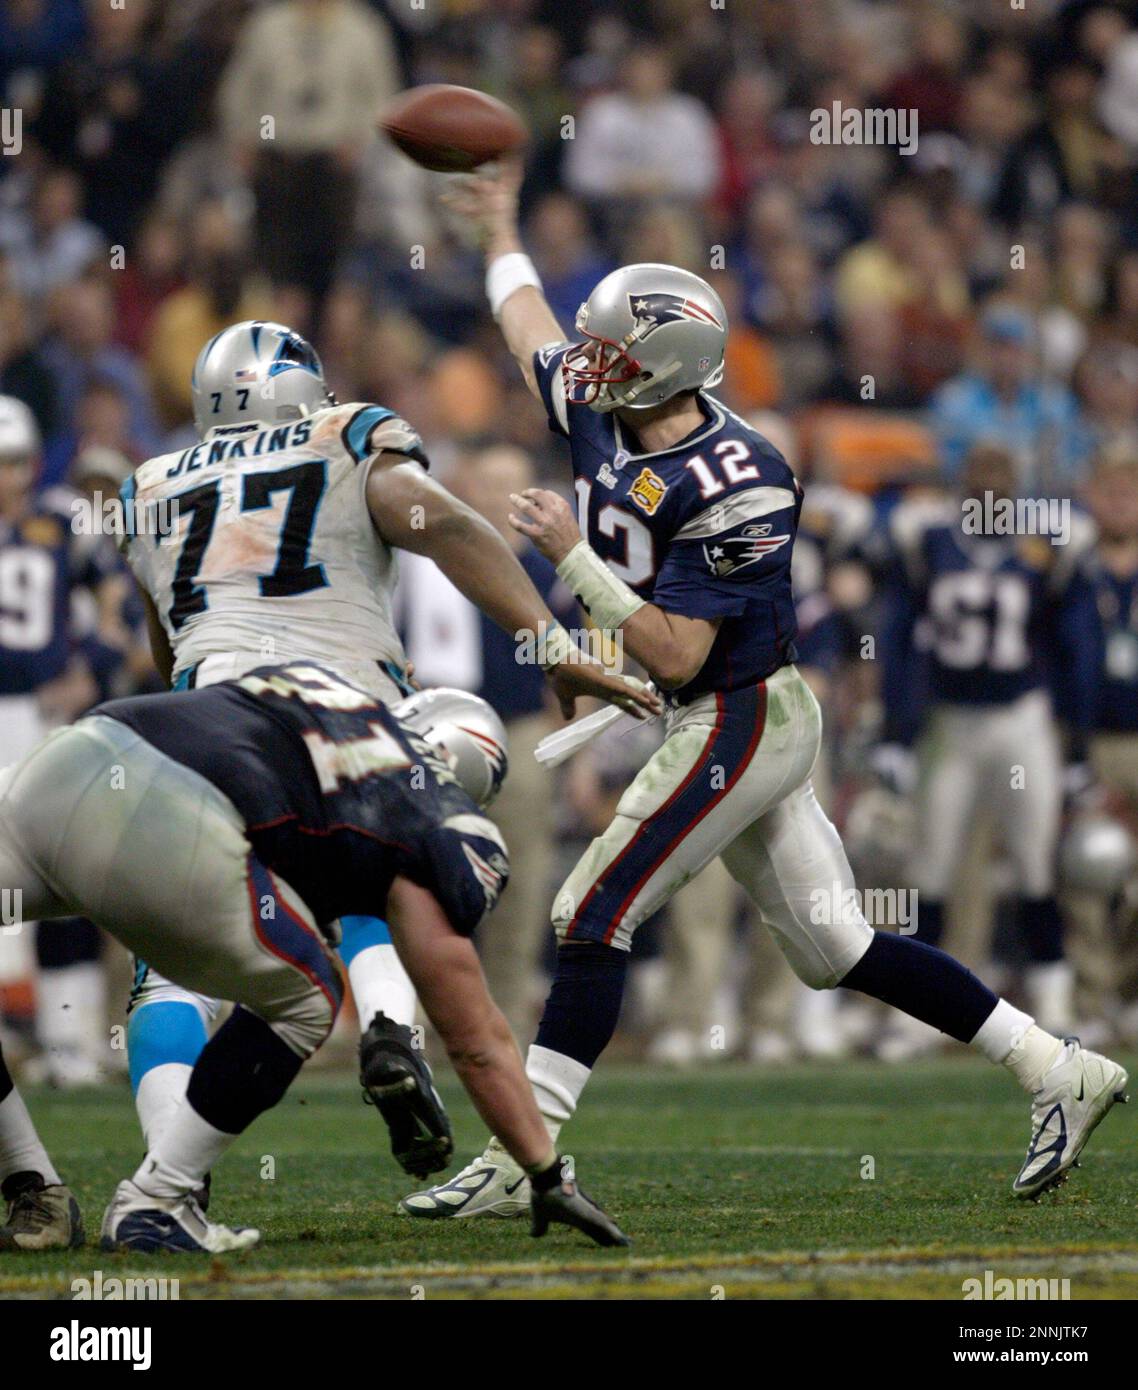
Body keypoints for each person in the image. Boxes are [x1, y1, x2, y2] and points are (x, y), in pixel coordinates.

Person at [400, 160, 1127, 1220]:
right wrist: (501, 223)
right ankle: (1055, 1065)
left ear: (664, 367)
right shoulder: (607, 404)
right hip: (715, 710)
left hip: (743, 714)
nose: (583, 363)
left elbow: (685, 653)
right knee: (838, 946)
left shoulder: (740, 477)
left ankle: (526, 1156)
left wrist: (574, 564)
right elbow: (521, 321)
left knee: (588, 908)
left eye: (609, 350)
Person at [115, 319, 657, 1188]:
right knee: (377, 874)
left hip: (197, 725)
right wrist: (551, 643)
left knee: (171, 975)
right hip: (336, 719)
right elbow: (446, 526)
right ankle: (392, 1030)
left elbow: (168, 645)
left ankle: (163, 1175)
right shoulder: (345, 435)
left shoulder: (148, 486)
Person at [0, 661, 628, 1252]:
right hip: (167, 813)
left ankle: (31, 1186)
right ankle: (158, 1201)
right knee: (307, 996)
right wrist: (543, 1171)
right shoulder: (435, 813)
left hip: (71, 758)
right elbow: (471, 1034)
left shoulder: (326, 694)